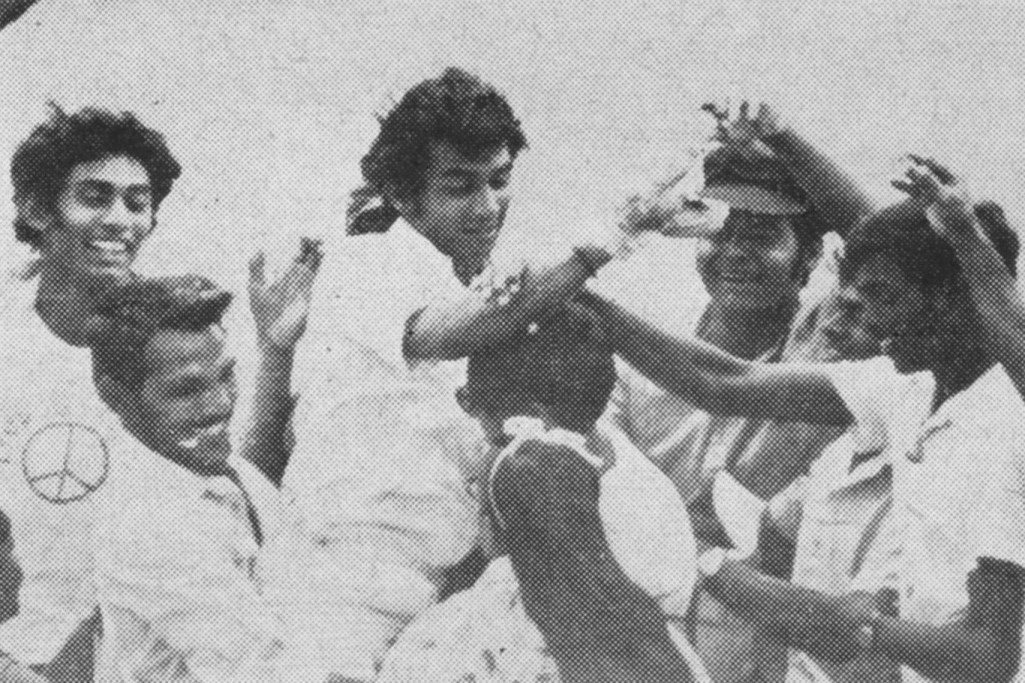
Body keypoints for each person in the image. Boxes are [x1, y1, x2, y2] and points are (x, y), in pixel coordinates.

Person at [284, 66, 697, 679]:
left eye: (498, 182)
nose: (486, 208)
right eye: (460, 187)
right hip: (337, 596)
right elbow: (449, 333)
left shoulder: (469, 284)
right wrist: (616, 232)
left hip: (427, 596)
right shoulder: (363, 262)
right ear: (403, 195)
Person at [580, 191, 1025, 682]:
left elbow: (987, 659)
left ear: (956, 295)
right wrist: (580, 295)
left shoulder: (1007, 426)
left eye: (884, 297)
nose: (869, 322)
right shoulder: (911, 386)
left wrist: (859, 627)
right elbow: (726, 382)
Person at [0, 104, 317, 681]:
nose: (122, 220)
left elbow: (231, 482)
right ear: (36, 210)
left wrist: (275, 353)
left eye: (137, 202)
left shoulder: (171, 339)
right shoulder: (9, 353)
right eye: (95, 197)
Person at [599, 100, 881, 683]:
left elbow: (895, 246)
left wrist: (786, 138)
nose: (733, 253)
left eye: (761, 235)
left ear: (808, 258)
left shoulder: (837, 339)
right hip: (637, 612)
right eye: (719, 232)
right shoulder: (643, 354)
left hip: (772, 622)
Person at [379, 302, 709, 683]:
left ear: (531, 419)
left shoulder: (528, 467)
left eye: (483, 416)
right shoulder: (643, 478)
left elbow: (506, 557)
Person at [90, 275, 333, 683]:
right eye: (186, 391)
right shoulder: (147, 523)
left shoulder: (208, 468)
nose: (220, 404)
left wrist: (275, 349)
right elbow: (264, 671)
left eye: (226, 376)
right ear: (116, 396)